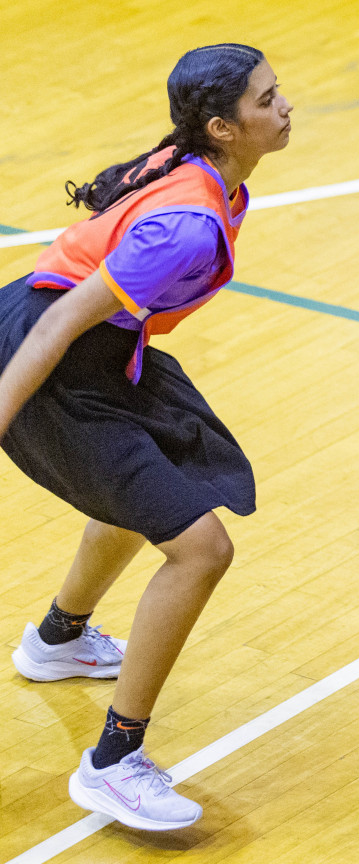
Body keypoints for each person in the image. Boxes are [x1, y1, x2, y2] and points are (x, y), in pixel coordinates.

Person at [2, 43, 291, 831]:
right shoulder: (189, 225)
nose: (284, 107)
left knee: (157, 484)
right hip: (53, 364)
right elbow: (61, 316)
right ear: (222, 127)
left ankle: (58, 639)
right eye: (266, 99)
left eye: (277, 92)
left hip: (95, 358)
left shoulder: (214, 178)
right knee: (201, 548)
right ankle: (113, 764)